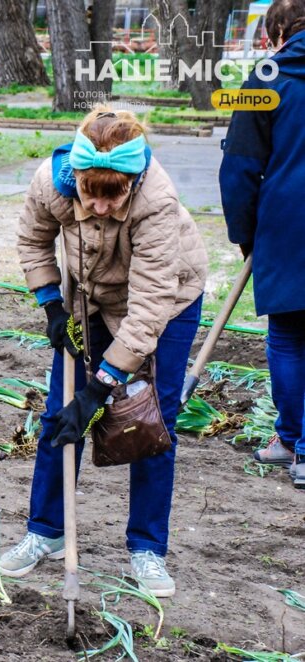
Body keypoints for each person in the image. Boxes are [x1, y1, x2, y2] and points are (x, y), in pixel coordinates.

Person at [0, 107, 208, 597]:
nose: (99, 207)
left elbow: (151, 306)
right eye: (91, 193)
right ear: (78, 178)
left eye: (113, 195)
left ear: (132, 183)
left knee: (151, 420)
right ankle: (46, 532)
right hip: (86, 298)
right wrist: (51, 305)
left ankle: (147, 548)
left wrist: (102, 387)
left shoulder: (155, 200)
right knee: (60, 415)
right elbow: (32, 242)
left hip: (166, 302)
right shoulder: (51, 183)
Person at [219, 0, 305, 489]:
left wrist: (246, 232)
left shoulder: (265, 77)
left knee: (290, 334)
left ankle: (292, 441)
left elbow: (240, 166)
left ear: (277, 32)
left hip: (288, 223)